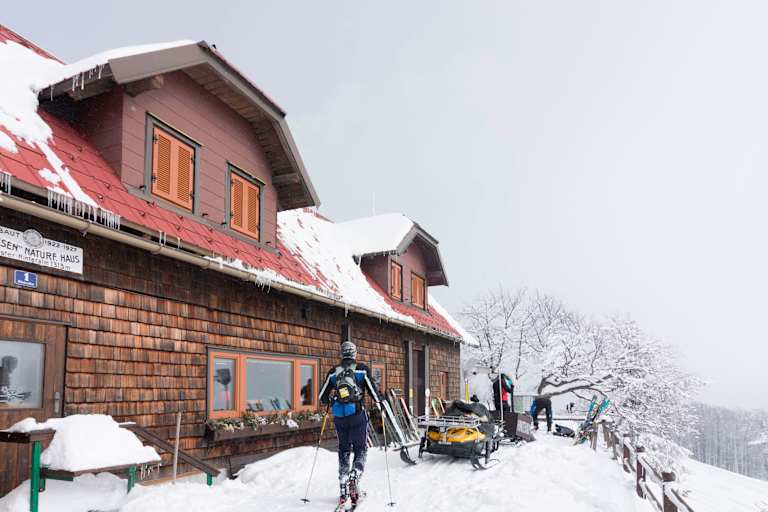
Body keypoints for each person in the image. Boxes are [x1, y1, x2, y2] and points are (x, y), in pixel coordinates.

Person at [318, 341, 380, 509]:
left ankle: (343, 481)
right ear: (354, 353)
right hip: (357, 415)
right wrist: (380, 401)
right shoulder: (361, 369)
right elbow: (374, 394)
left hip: (340, 417)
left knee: (344, 449)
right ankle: (355, 475)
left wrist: (332, 400)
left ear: (341, 354)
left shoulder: (333, 372)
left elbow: (322, 397)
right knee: (360, 449)